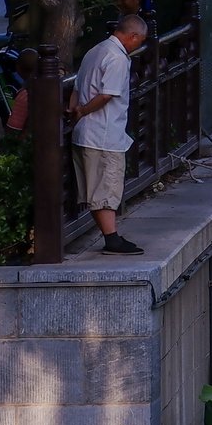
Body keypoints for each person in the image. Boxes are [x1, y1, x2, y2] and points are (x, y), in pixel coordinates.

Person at [71, 13, 148, 254]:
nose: (139, 46)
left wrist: (74, 111)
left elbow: (76, 87)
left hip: (84, 133)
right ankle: (112, 239)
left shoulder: (95, 51)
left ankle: (110, 235)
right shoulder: (117, 58)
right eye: (140, 41)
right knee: (106, 189)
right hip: (103, 134)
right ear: (133, 36)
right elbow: (107, 95)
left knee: (94, 189)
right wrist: (83, 110)